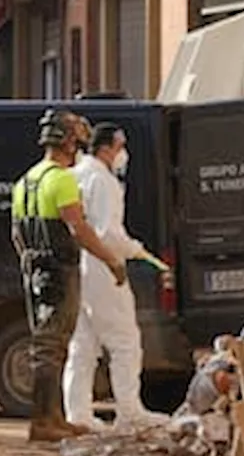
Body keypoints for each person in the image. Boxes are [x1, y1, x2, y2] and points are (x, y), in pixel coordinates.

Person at [11, 109, 128, 443]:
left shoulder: (27, 181)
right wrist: (111, 261)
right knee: (52, 346)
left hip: (34, 269)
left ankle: (53, 418)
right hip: (59, 270)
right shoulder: (62, 180)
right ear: (68, 142)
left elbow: (17, 234)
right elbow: (79, 229)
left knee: (44, 343)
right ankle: (45, 420)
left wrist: (30, 264)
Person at [61, 123, 168, 431]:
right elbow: (108, 233)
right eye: (120, 146)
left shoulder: (76, 174)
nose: (124, 153)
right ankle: (130, 412)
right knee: (124, 341)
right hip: (103, 267)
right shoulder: (103, 180)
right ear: (106, 148)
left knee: (83, 344)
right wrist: (134, 250)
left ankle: (78, 413)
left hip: (77, 267)